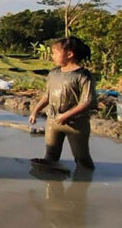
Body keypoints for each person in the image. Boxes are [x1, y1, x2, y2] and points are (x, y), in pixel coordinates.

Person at [29, 36, 96, 170]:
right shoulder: (53, 73)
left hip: (76, 124)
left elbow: (87, 101)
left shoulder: (83, 76)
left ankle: (85, 184)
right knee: (50, 155)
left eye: (55, 53)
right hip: (53, 121)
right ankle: (51, 186)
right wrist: (35, 111)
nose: (52, 56)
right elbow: (47, 96)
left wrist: (66, 116)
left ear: (70, 54)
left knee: (82, 157)